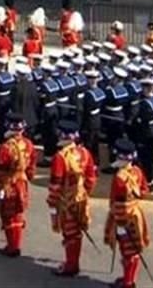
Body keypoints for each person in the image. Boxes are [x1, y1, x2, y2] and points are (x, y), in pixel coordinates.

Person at [47, 119, 98, 277]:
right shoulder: (85, 153)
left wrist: (52, 203)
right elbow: (91, 178)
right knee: (76, 232)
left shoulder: (60, 157)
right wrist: (84, 192)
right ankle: (73, 262)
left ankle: (71, 265)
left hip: (66, 199)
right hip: (81, 198)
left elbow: (56, 183)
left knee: (69, 233)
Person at [104, 137, 150, 288]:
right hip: (136, 214)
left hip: (123, 216)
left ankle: (128, 282)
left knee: (127, 250)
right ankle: (128, 278)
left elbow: (118, 203)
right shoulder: (137, 171)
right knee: (133, 247)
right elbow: (144, 191)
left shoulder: (120, 177)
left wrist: (120, 222)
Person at [0, 111, 36, 257]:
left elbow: (0, 169)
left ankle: (12, 246)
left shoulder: (6, 147)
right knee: (18, 214)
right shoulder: (28, 144)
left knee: (8, 215)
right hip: (21, 182)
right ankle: (16, 244)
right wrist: (28, 176)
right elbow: (31, 166)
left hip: (8, 184)